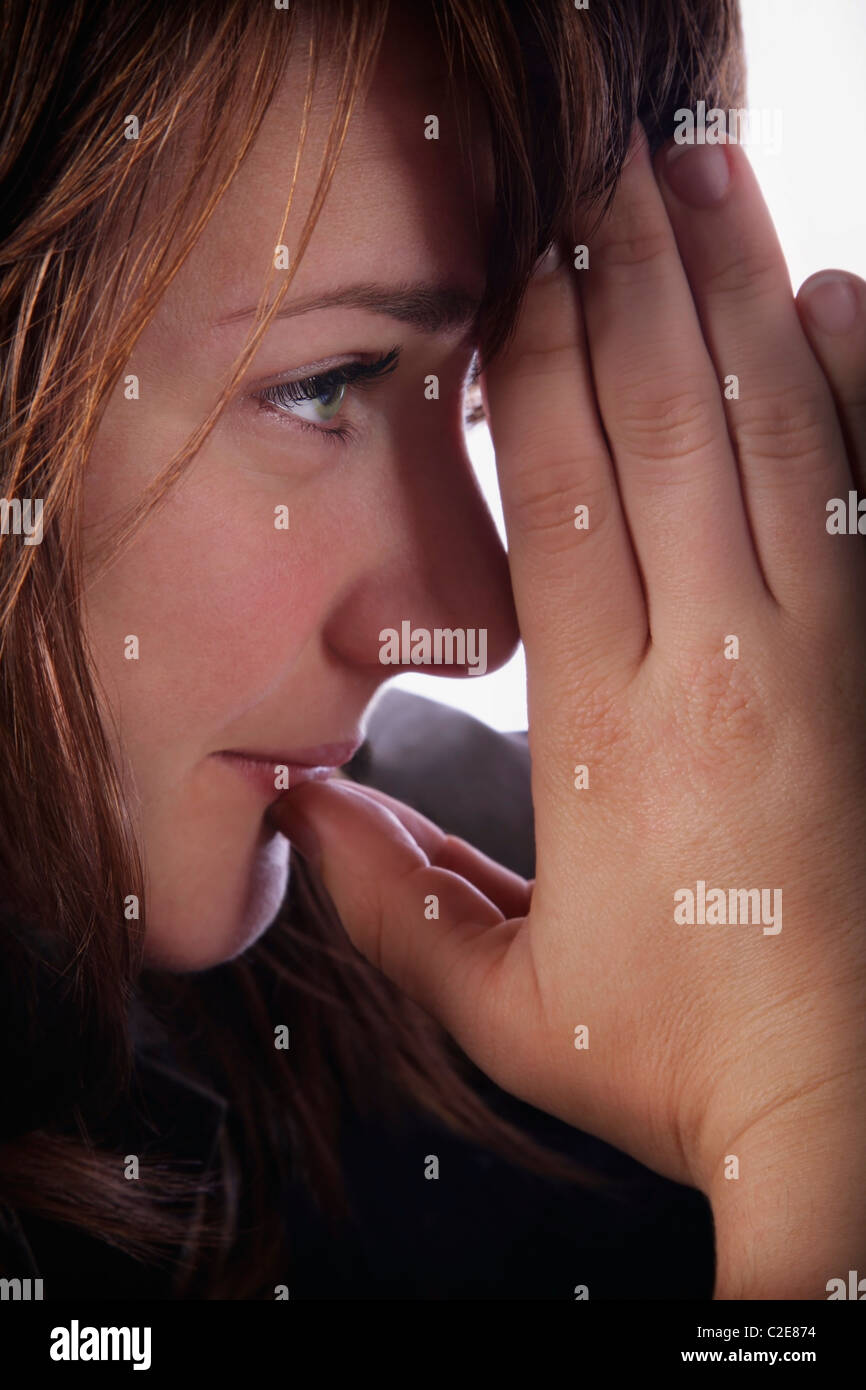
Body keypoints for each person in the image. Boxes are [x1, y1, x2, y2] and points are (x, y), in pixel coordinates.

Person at [1, 0, 863, 1301]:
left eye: (470, 397)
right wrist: (814, 1120)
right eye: (324, 380)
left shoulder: (595, 896)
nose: (474, 618)